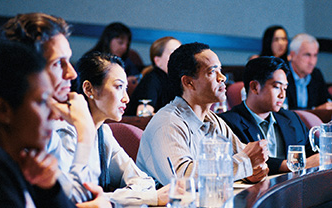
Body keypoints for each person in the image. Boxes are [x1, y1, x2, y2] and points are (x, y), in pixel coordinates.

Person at [0, 13, 110, 206]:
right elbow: (82, 195)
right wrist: (86, 131)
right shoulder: (2, 153)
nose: (72, 74)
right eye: (58, 63)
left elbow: (70, 196)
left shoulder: (41, 131)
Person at [136, 42, 269, 187]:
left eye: (221, 70)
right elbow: (182, 180)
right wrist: (244, 163)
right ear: (188, 82)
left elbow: (246, 156)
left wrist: (254, 168)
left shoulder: (212, 120)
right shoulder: (167, 123)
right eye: (212, 72)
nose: (222, 77)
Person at [55, 51, 168, 205]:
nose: (126, 98)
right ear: (89, 89)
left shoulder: (103, 132)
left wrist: (109, 198)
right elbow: (77, 198)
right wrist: (148, 198)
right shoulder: (65, 133)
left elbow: (144, 182)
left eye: (126, 88)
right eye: (118, 87)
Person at [0, 41, 77, 207]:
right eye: (42, 102)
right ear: (3, 110)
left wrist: (48, 188)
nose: (54, 113)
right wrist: (86, 134)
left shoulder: (24, 163)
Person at [219, 57, 319, 175]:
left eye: (285, 88)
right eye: (277, 87)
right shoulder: (228, 123)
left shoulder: (292, 118)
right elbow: (241, 161)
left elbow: (316, 152)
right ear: (255, 87)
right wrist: (287, 166)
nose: (282, 95)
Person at [125, 36, 181, 116]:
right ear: (157, 61)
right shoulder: (152, 80)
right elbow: (143, 114)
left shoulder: (178, 81)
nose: (179, 58)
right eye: (173, 53)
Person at [286, 33, 332, 110]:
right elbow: (283, 111)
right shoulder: (282, 74)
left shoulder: (316, 74)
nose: (312, 62)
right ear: (293, 55)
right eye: (307, 55)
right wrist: (315, 110)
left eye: (315, 55)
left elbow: (326, 101)